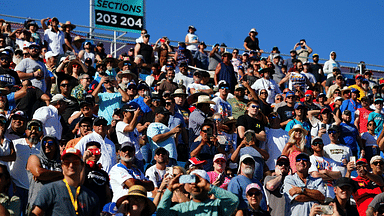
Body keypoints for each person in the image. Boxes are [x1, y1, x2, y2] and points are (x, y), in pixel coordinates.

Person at [31, 148, 100, 216]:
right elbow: (36, 213)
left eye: (75, 162)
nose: (71, 165)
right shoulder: (50, 189)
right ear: (62, 166)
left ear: (82, 165)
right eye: (67, 163)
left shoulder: (91, 197)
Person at [157, 169, 239, 216]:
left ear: (206, 184)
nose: (194, 184)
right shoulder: (181, 208)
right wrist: (170, 189)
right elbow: (161, 214)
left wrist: (210, 187)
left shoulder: (217, 206)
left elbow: (234, 200)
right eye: (191, 182)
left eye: (198, 181)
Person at [9, 120, 43, 215]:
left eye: (37, 129)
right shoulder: (15, 143)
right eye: (30, 128)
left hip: (34, 189)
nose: (33, 131)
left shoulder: (44, 147)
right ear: (26, 130)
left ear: (41, 132)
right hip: (16, 187)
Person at [26, 135, 63, 213]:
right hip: (36, 205)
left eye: (50, 143)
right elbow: (39, 173)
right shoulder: (34, 157)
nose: (46, 145)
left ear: (56, 145)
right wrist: (60, 174)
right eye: (44, 143)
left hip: (56, 206)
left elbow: (68, 178)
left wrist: (46, 176)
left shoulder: (61, 163)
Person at [82, 141, 111, 209]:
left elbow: (108, 195)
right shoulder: (82, 168)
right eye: (91, 152)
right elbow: (79, 181)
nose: (94, 155)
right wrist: (84, 159)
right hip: (86, 207)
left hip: (100, 208)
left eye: (96, 152)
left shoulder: (104, 173)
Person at [116, 104, 145, 170]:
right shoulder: (120, 124)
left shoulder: (135, 128)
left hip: (138, 156)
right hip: (127, 155)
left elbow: (140, 142)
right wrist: (136, 116)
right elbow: (130, 128)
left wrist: (143, 140)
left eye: (133, 112)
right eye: (131, 112)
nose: (133, 114)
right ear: (124, 113)